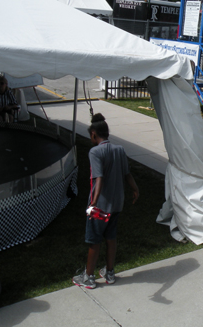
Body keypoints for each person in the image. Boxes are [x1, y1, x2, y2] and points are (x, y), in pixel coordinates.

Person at [72, 113, 139, 289]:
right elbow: (127, 174)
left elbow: (98, 178)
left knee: (94, 240)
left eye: (90, 136)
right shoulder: (119, 150)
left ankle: (88, 277)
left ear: (94, 134)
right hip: (117, 205)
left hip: (100, 208)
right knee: (111, 238)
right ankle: (109, 273)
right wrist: (135, 189)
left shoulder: (95, 152)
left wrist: (93, 202)